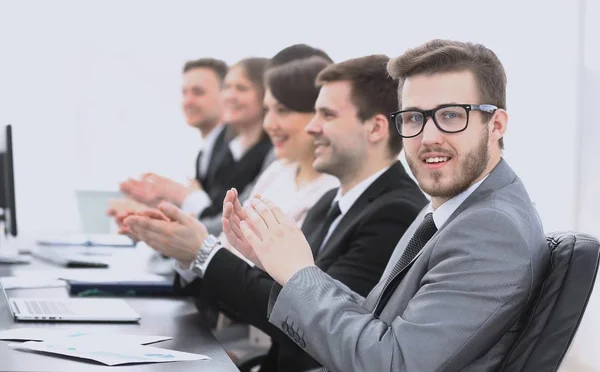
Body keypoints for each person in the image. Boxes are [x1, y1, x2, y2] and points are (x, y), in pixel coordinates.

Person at [224, 39, 551, 372]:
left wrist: (298, 275)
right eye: (413, 118)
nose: (428, 137)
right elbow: (374, 317)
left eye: (451, 115)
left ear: (496, 124)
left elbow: (393, 364)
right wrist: (277, 264)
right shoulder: (453, 209)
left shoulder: (492, 230)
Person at [123, 54, 427, 371]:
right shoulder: (332, 203)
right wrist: (212, 256)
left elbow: (317, 327)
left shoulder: (395, 212)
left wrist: (204, 254)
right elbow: (291, 300)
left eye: (327, 115)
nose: (313, 127)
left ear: (376, 128)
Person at [116, 57, 274, 237]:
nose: (188, 101)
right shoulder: (227, 149)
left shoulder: (266, 154)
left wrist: (184, 197)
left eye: (198, 92)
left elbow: (223, 218)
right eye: (227, 88)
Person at [107, 58, 230, 226]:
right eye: (184, 93)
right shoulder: (206, 153)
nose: (188, 101)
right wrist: (157, 207)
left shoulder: (233, 149)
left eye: (198, 92)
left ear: (227, 95)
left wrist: (181, 195)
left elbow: (219, 220)